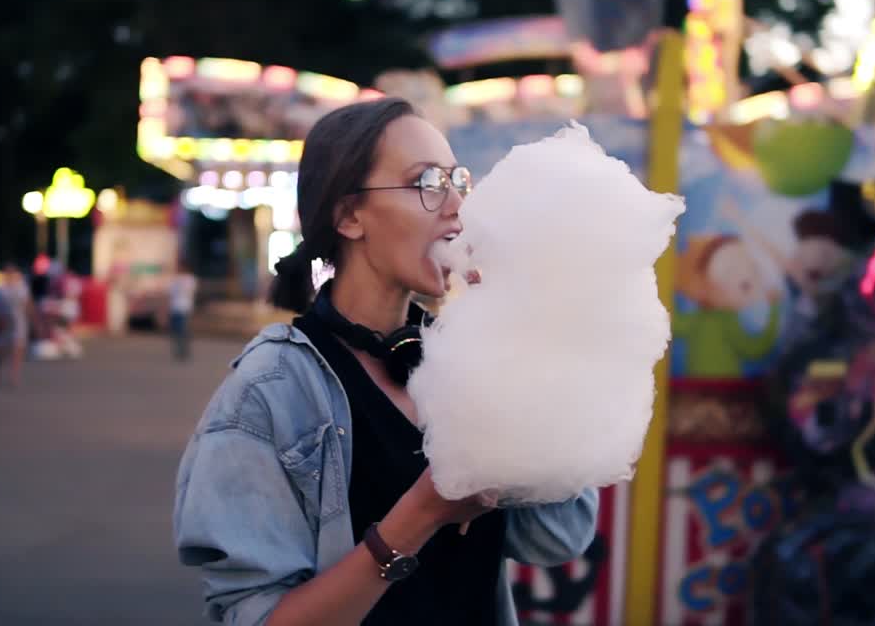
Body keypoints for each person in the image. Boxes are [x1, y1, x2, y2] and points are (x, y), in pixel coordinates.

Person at [174, 98, 597, 626]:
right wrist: (420, 514)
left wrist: (516, 342)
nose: (458, 208)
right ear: (349, 215)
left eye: (456, 181)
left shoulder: (460, 358)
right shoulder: (270, 390)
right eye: (427, 184)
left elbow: (558, 535)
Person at [0, 262, 31, 388]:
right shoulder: (0, 290)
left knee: (17, 349)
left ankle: (14, 377)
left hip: (18, 323)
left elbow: (27, 305)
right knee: (1, 351)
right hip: (3, 323)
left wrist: (34, 322)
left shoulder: (22, 288)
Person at [167, 262, 197, 361]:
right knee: (176, 330)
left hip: (184, 307)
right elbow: (170, 293)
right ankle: (179, 350)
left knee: (182, 330)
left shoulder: (190, 279)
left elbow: (190, 291)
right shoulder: (175, 280)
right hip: (174, 308)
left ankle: (184, 350)